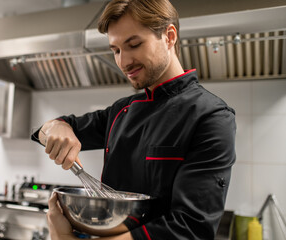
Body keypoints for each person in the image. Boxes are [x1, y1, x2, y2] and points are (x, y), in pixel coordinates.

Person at [31, 0, 236, 239]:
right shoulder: (120, 111)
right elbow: (50, 130)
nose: (123, 62)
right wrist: (57, 127)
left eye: (134, 44)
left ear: (169, 36)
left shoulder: (210, 116)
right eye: (116, 50)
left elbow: (190, 228)